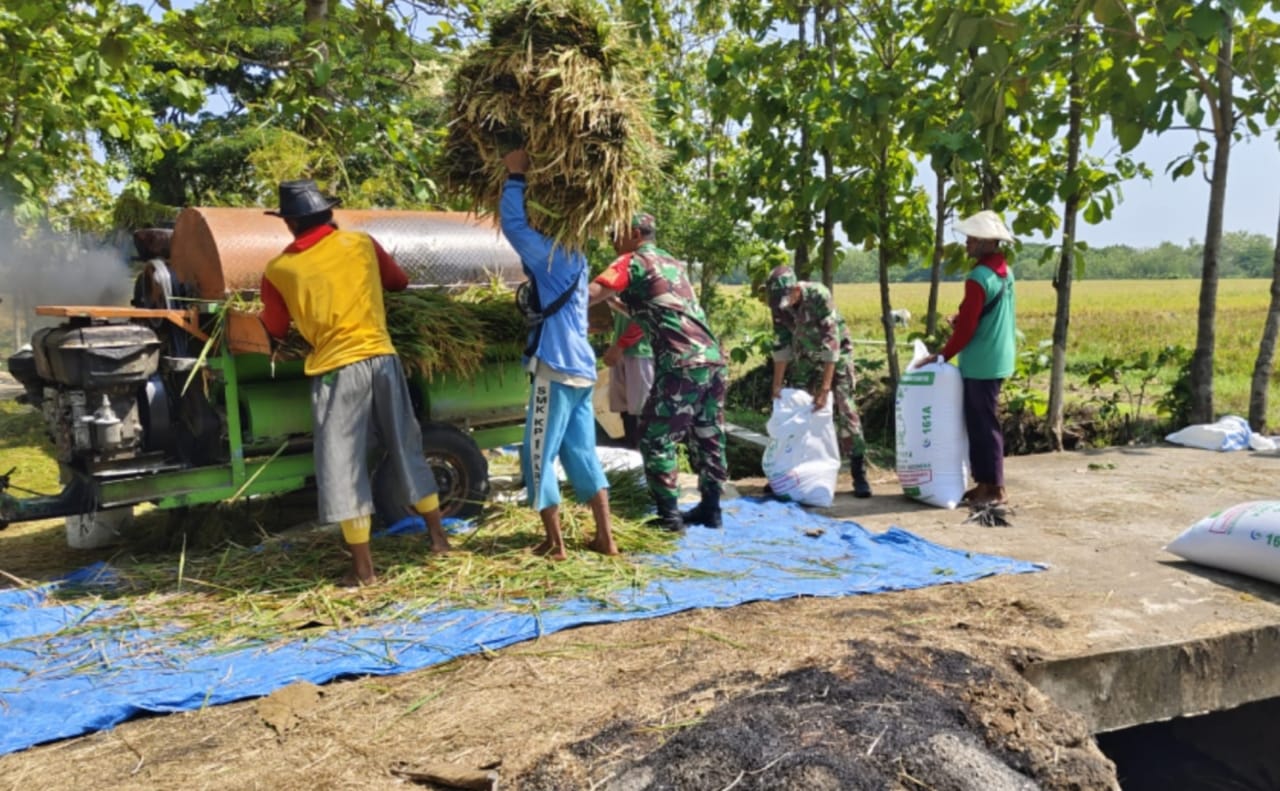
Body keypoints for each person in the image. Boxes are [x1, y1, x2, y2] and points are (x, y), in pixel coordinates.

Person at [259, 179, 452, 587]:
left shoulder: (279, 270)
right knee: (406, 444)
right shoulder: (362, 244)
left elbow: (274, 328)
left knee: (344, 467)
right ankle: (438, 539)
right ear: (328, 214)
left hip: (335, 371)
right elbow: (398, 282)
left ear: (291, 222)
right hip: (383, 360)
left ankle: (364, 570)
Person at [499, 149, 618, 560]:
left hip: (557, 368)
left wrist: (516, 176)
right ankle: (606, 538)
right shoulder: (578, 257)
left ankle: (555, 544)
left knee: (536, 455)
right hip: (582, 368)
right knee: (582, 454)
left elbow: (513, 227)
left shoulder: (554, 257)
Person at [589, 212, 729, 532]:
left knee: (654, 437)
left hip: (681, 363)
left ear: (635, 234)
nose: (612, 242)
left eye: (616, 235)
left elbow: (592, 293)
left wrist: (554, 304)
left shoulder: (632, 261)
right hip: (712, 359)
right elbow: (654, 310)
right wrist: (619, 307)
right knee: (707, 434)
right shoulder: (671, 264)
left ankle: (669, 517)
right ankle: (712, 509)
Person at [922, 210, 1018, 506]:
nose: (967, 244)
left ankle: (995, 488)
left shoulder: (977, 277)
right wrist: (961, 319)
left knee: (983, 425)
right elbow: (978, 314)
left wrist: (942, 355)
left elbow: (966, 330)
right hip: (999, 356)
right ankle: (985, 483)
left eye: (973, 239)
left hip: (980, 361)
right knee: (982, 422)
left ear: (988, 243)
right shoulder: (1004, 271)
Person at [765, 266, 872, 498]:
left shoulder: (818, 295)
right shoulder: (778, 305)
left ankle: (858, 473)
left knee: (846, 409)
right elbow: (781, 345)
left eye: (787, 299)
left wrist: (825, 388)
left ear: (796, 289)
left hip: (837, 356)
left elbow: (830, 343)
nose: (784, 305)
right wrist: (777, 385)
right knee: (801, 410)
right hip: (806, 356)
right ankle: (792, 473)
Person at [602, 312, 654, 449]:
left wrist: (620, 345)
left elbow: (646, 317)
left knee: (642, 411)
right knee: (625, 412)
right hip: (620, 351)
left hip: (641, 352)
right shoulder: (622, 290)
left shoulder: (645, 290)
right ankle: (633, 455)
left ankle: (648, 461)